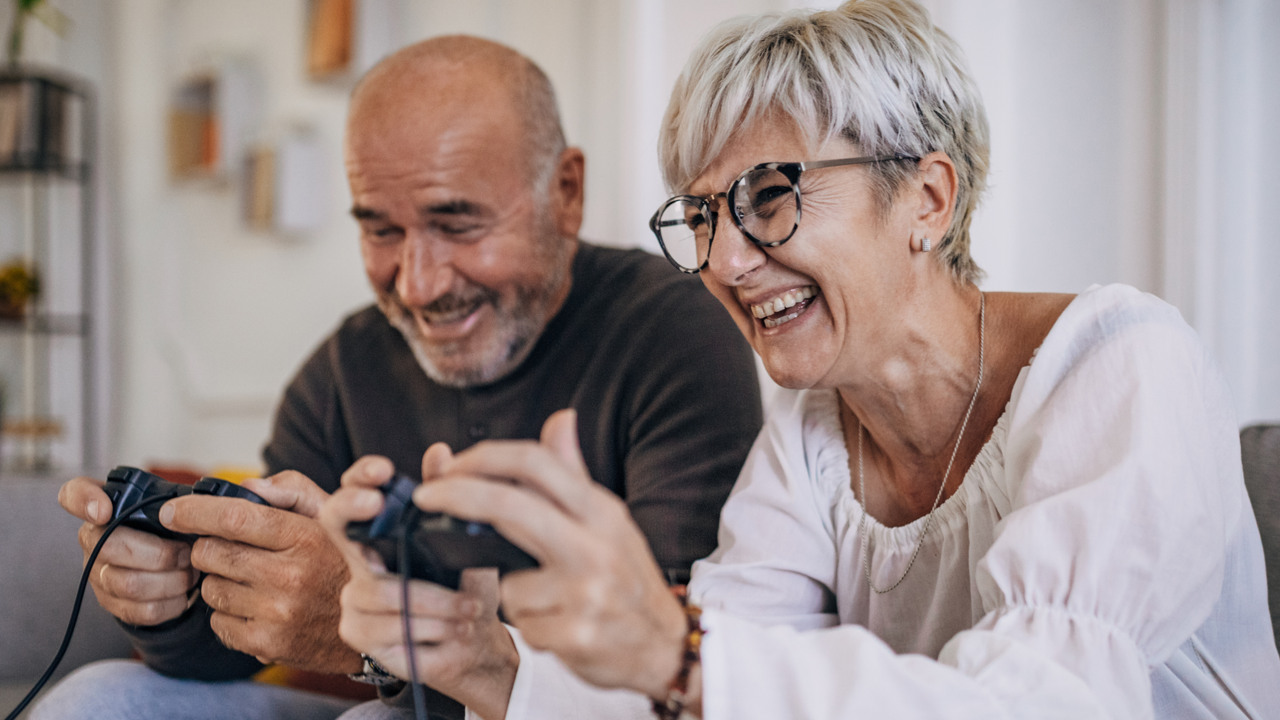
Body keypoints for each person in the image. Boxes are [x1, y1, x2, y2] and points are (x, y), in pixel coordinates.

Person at [320, 1, 1280, 718]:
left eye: (769, 197)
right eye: (701, 216)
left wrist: (678, 652)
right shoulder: (810, 439)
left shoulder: (1122, 364)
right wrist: (483, 659)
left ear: (929, 199)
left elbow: (1045, 703)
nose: (726, 262)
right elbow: (720, 688)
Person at [36, 35, 761, 720]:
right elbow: (238, 649)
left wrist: (378, 631)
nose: (416, 286)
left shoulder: (673, 332)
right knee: (100, 698)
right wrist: (170, 601)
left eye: (458, 224)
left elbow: (673, 668)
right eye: (381, 230)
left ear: (565, 192)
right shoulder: (345, 370)